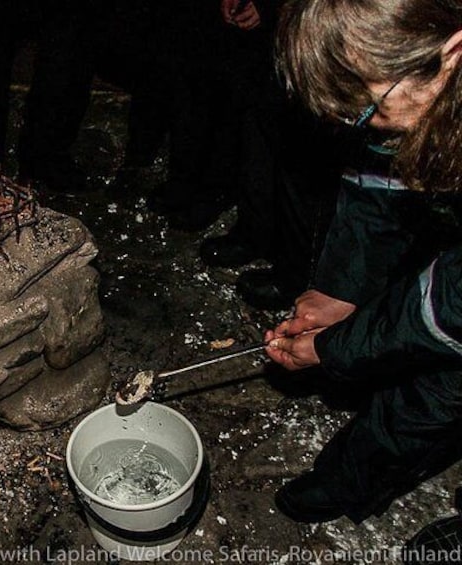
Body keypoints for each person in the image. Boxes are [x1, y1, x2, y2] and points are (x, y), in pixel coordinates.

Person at [263, 0, 462, 541]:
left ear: (450, 52)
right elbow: (381, 181)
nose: (371, 128)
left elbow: (446, 308)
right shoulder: (420, 94)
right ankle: (353, 475)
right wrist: (339, 288)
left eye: (370, 109)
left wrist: (335, 347)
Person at [198, 0, 345, 310]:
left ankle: (297, 276)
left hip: (325, 29)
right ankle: (255, 234)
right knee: (258, 132)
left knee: (308, 157)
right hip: (275, 38)